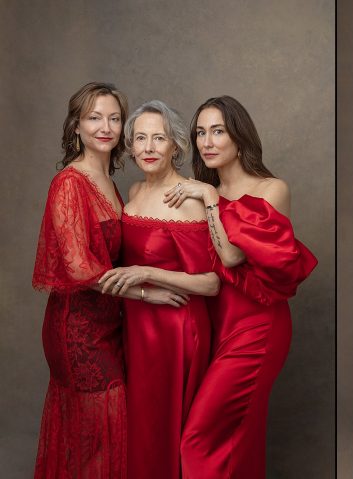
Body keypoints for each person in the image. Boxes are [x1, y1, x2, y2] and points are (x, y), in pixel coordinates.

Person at [32, 82, 182, 478]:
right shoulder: (69, 182)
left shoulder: (111, 184)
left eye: (114, 118)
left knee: (106, 436)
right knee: (96, 433)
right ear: (76, 126)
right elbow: (80, 267)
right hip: (77, 330)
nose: (106, 126)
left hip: (111, 325)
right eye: (94, 117)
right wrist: (148, 292)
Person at [163, 95, 317, 478]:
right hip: (214, 327)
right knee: (237, 439)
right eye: (200, 132)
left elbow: (231, 257)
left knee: (198, 438)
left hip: (257, 330)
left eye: (218, 131)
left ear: (240, 136)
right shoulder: (196, 191)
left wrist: (211, 198)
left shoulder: (271, 189)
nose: (207, 142)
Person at [97, 100, 219, 478]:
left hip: (175, 331)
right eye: (140, 138)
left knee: (166, 427)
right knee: (142, 428)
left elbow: (211, 283)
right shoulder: (132, 191)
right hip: (136, 323)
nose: (148, 148)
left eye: (159, 138)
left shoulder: (186, 200)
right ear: (130, 146)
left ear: (176, 146)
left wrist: (147, 272)